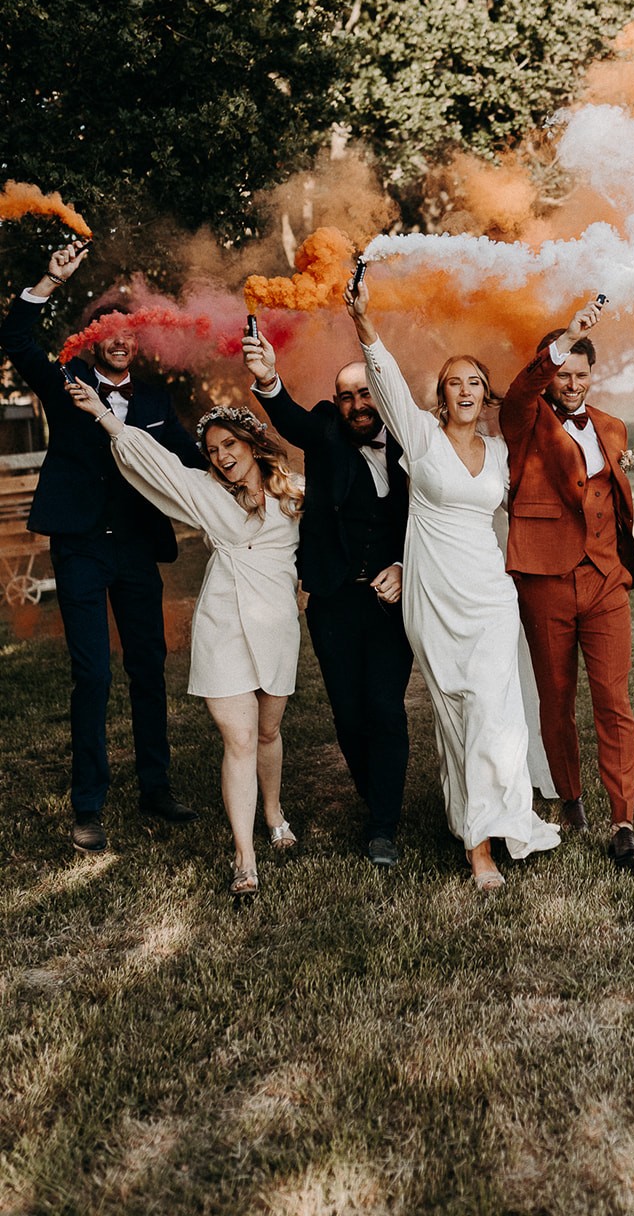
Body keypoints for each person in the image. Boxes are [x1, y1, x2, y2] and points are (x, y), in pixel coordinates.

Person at [348, 277, 560, 891]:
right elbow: (384, 379)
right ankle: (476, 840)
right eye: (453, 382)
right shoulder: (420, 439)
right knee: (457, 715)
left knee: (498, 711)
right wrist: (365, 324)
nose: (465, 390)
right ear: (440, 396)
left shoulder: (498, 453)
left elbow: (539, 493)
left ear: (484, 395)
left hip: (491, 594)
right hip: (434, 597)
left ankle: (497, 828)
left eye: (474, 382)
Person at [0, 241, 202, 853]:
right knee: (92, 675)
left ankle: (155, 786)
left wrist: (247, 469)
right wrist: (49, 279)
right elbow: (14, 340)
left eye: (128, 328)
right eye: (108, 327)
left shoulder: (155, 402)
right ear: (94, 338)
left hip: (137, 548)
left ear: (137, 341)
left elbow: (191, 458)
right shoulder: (66, 382)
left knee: (148, 666)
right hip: (81, 546)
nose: (119, 338)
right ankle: (87, 804)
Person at [66, 379, 303, 896]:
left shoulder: (295, 493)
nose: (221, 458)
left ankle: (273, 811)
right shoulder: (205, 491)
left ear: (253, 443)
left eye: (230, 447)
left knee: (266, 732)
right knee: (238, 739)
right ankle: (245, 859)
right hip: (223, 623)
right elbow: (157, 463)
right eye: (213, 451)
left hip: (276, 624)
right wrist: (103, 415)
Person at [242, 330, 413, 869]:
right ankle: (374, 795)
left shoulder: (415, 440)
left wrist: (405, 568)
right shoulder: (325, 432)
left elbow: (430, 521)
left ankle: (382, 824)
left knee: (385, 706)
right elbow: (287, 416)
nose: (357, 405)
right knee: (348, 712)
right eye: (347, 395)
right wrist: (268, 377)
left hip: (393, 600)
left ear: (383, 396)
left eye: (366, 394)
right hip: (334, 600)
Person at [500, 298, 634, 869]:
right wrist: (562, 341)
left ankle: (624, 817)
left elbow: (611, 494)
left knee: (614, 700)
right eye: (563, 373)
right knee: (556, 697)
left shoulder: (611, 426)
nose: (572, 383)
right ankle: (570, 796)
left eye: (581, 374)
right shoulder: (525, 418)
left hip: (606, 578)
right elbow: (517, 393)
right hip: (545, 577)